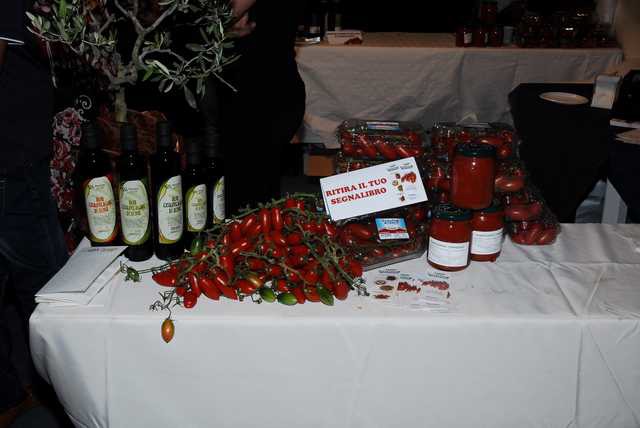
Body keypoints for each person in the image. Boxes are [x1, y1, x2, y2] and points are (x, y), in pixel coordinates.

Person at [0, 0, 69, 425]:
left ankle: (12, 398)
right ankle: (71, 402)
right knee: (51, 297)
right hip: (12, 165)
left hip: (13, 159)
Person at [216, 0, 306, 214]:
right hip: (255, 92)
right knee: (252, 199)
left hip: (258, 98)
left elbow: (223, 14)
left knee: (248, 202)